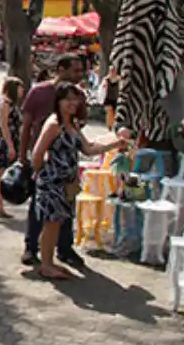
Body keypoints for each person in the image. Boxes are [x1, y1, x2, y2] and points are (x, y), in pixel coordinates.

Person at [31, 83, 125, 279]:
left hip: (68, 184)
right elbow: (37, 155)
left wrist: (116, 143)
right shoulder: (54, 124)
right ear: (58, 101)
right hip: (53, 182)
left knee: (57, 223)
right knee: (52, 223)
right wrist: (44, 175)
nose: (72, 103)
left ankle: (48, 261)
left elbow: (89, 148)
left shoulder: (71, 124)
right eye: (68, 99)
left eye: (75, 99)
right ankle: (46, 264)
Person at [18, 54, 87, 267]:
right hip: (44, 162)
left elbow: (79, 127)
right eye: (74, 70)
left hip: (66, 164)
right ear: (60, 68)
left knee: (66, 208)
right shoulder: (39, 92)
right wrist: (23, 157)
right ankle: (31, 248)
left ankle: (64, 248)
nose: (78, 75)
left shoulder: (78, 95)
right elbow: (27, 125)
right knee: (40, 207)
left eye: (80, 70)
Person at [0, 77, 23, 223]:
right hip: (3, 143)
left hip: (12, 141)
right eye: (20, 88)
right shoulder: (5, 104)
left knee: (4, 176)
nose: (22, 91)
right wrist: (10, 145)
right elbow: (4, 126)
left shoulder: (12, 103)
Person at [102, 65, 120, 130]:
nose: (112, 72)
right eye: (111, 70)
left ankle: (114, 125)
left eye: (113, 70)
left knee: (115, 113)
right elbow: (102, 88)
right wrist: (104, 86)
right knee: (109, 112)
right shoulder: (106, 79)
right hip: (108, 98)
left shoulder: (119, 79)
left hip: (116, 98)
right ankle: (109, 126)